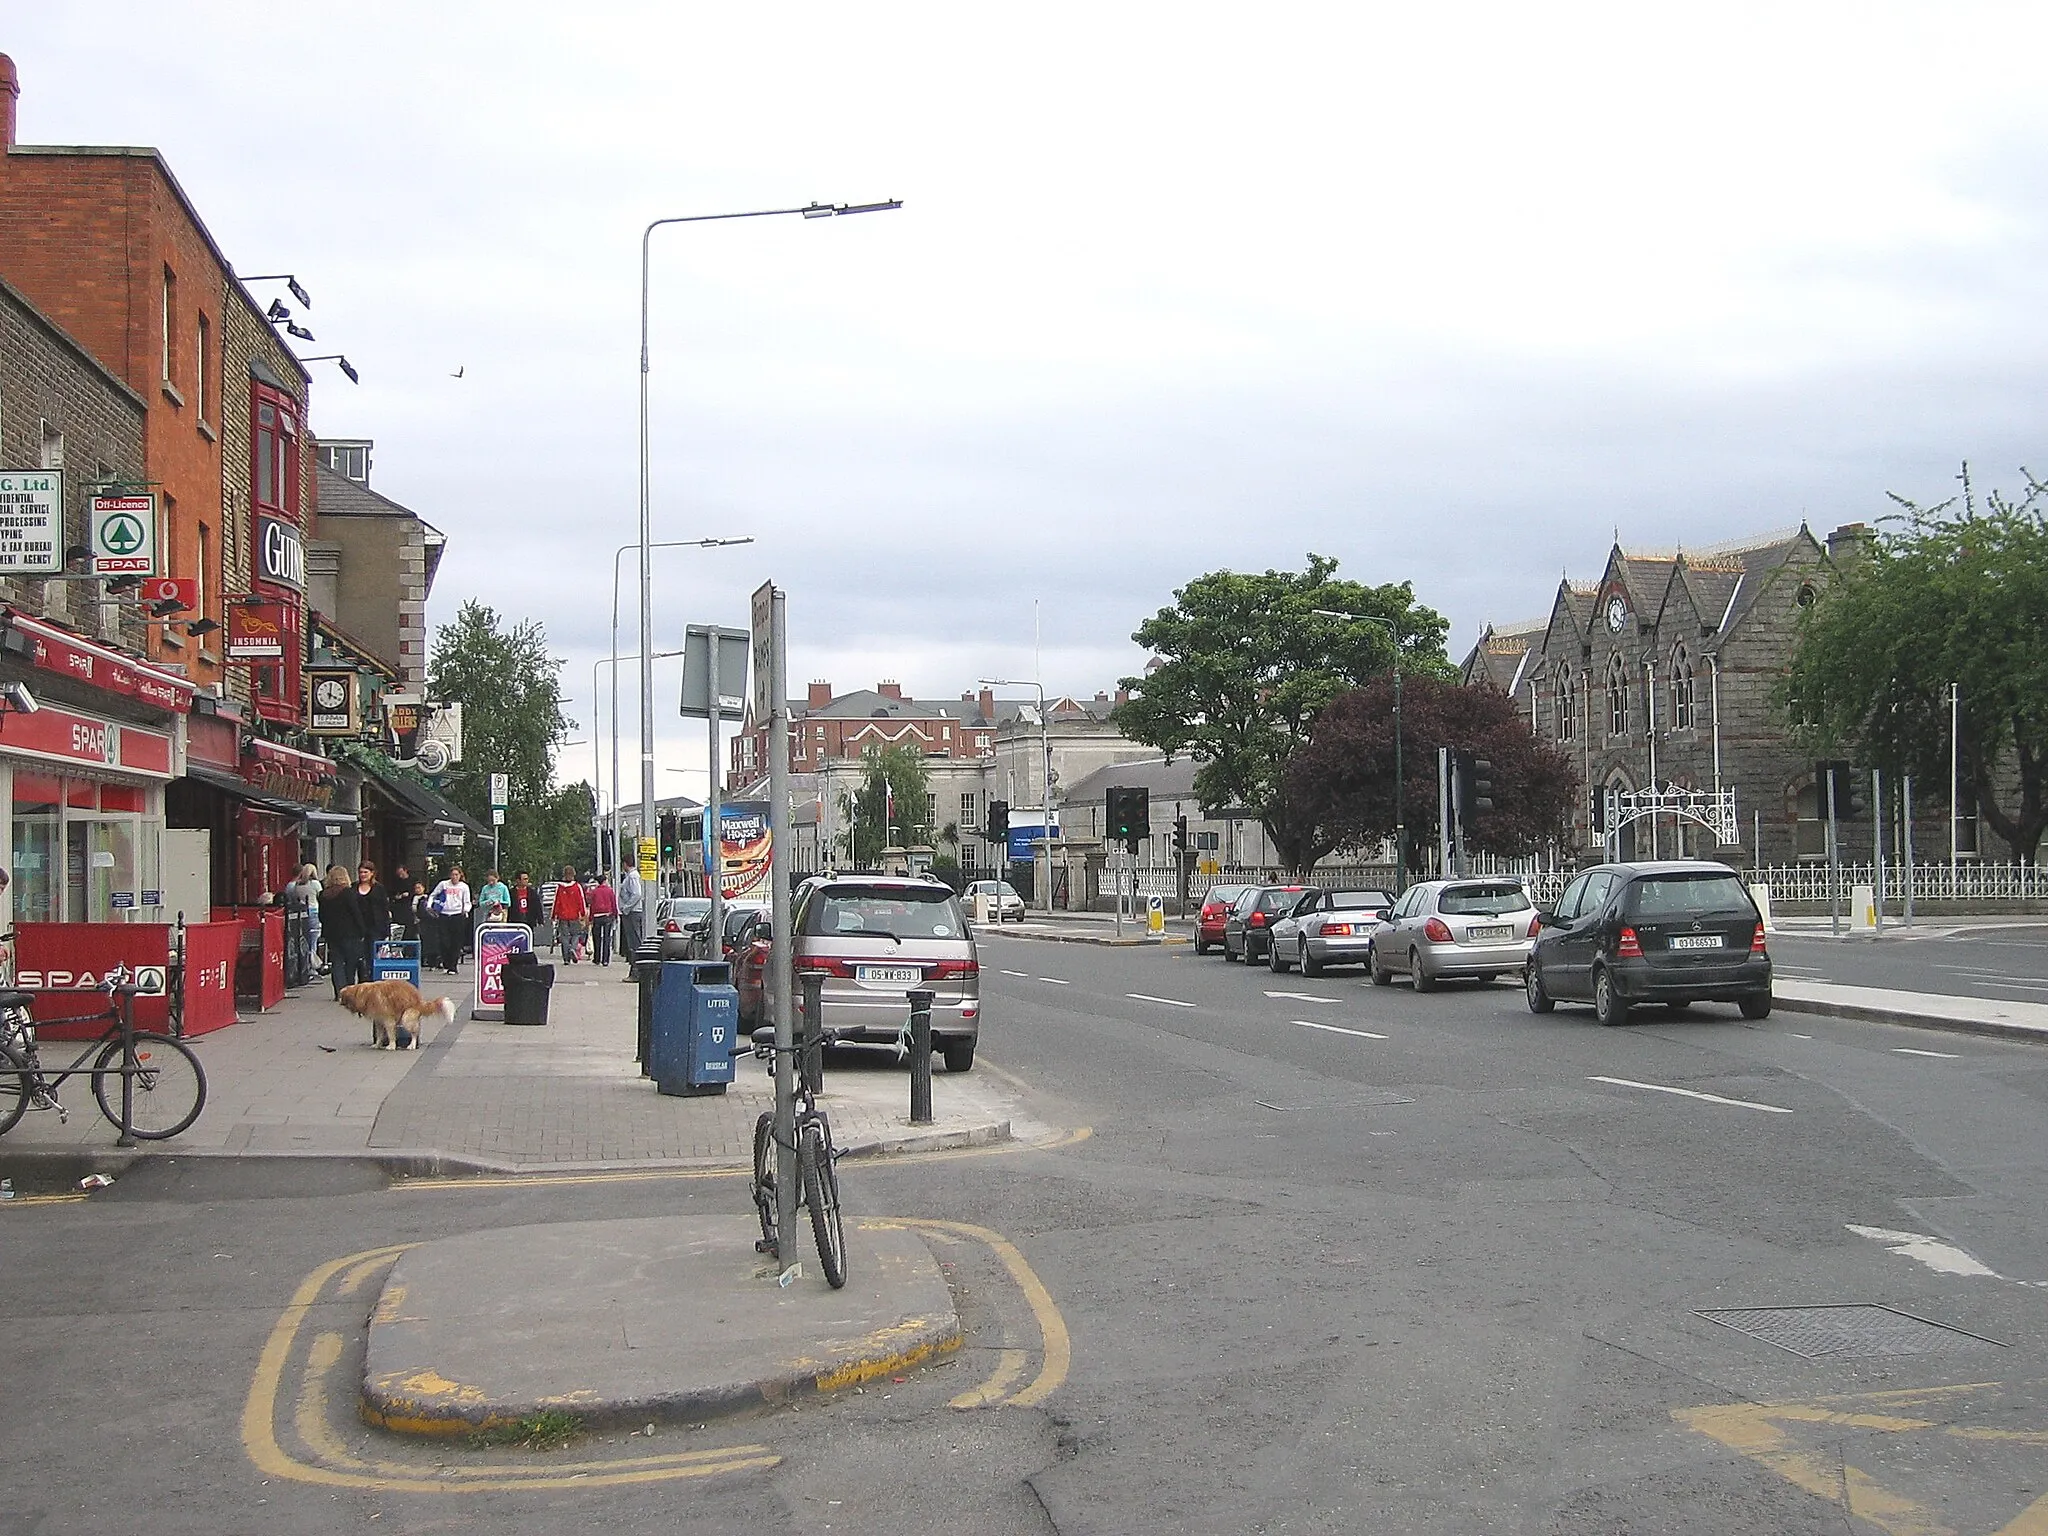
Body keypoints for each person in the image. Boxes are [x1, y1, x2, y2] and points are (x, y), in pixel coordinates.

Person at [317, 865, 367, 999]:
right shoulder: (348, 893)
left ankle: (339, 991)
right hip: (350, 932)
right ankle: (349, 990)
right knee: (350, 962)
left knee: (337, 962)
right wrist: (362, 930)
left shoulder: (324, 894)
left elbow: (321, 916)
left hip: (331, 933)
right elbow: (356, 913)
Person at [426, 865, 473, 974]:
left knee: (456, 942)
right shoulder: (444, 884)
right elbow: (433, 895)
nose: (454, 877)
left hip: (457, 915)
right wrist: (430, 906)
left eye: (456, 875)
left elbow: (467, 901)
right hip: (444, 915)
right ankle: (446, 964)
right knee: (444, 941)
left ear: (460, 875)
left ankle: (453, 966)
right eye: (452, 874)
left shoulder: (464, 887)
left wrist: (465, 910)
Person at [354, 862, 390, 977]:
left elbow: (384, 909)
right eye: (361, 872)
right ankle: (363, 980)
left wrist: (386, 930)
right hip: (358, 927)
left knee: (373, 954)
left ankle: (374, 978)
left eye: (366, 872)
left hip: (376, 927)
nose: (363, 875)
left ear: (372, 873)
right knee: (360, 955)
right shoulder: (353, 887)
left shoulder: (379, 888)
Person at [289, 863, 325, 978]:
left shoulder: (297, 885)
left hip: (303, 914)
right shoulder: (315, 884)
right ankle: (313, 966)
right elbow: (321, 897)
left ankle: (305, 966)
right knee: (313, 941)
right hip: (314, 912)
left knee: (304, 940)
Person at [551, 863, 588, 963]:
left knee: (564, 936)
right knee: (576, 934)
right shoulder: (577, 887)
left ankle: (566, 958)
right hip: (574, 915)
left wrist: (554, 914)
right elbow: (581, 900)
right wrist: (583, 914)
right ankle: (573, 948)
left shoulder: (560, 887)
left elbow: (556, 902)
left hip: (562, 915)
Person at [587, 872, 620, 965]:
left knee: (596, 938)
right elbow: (613, 903)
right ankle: (605, 960)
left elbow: (592, 905)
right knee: (607, 938)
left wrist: (590, 918)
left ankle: (597, 958)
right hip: (607, 916)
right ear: (605, 881)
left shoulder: (595, 892)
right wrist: (615, 914)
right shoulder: (609, 891)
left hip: (597, 916)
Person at [618, 864, 645, 970]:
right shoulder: (630, 876)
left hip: (632, 913)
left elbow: (637, 894)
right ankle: (635, 968)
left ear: (625, 863)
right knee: (632, 942)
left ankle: (637, 969)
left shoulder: (633, 876)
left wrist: (626, 908)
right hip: (632, 912)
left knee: (634, 942)